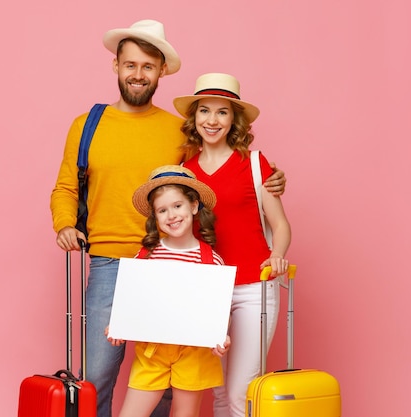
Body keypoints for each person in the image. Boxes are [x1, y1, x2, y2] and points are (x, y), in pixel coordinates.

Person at [50, 20, 286, 417]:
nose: (138, 74)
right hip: (110, 262)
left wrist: (271, 178)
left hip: (168, 263)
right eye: (130, 65)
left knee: (170, 378)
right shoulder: (87, 125)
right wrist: (64, 224)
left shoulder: (178, 130)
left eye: (147, 66)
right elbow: (66, 188)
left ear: (161, 71)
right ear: (116, 67)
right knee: (98, 375)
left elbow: (212, 169)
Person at [175, 73, 292, 417]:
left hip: (255, 285)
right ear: (194, 118)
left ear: (233, 120)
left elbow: (280, 224)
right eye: (205, 111)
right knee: (219, 392)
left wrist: (278, 256)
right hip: (207, 288)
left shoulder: (256, 164)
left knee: (242, 391)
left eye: (222, 112)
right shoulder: (183, 170)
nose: (212, 120)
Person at [105, 165, 231, 417]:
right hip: (152, 351)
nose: (171, 215)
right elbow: (133, 300)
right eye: (162, 210)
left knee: (185, 414)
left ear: (194, 206)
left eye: (177, 206)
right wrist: (119, 324)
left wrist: (221, 336)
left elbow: (217, 308)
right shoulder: (146, 255)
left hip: (194, 353)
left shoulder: (211, 260)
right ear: (155, 217)